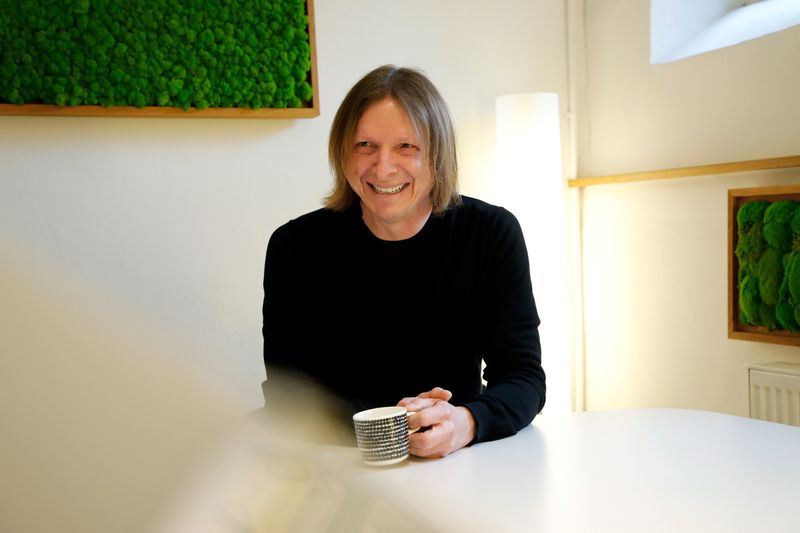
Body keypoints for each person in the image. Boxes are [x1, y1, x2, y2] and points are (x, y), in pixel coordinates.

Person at [262, 65, 546, 458]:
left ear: (437, 155)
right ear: (342, 152)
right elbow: (289, 394)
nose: (383, 168)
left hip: (457, 462)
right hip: (335, 460)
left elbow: (523, 378)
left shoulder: (492, 233)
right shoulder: (295, 246)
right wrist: (398, 425)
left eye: (406, 146)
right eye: (365, 145)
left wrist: (464, 422)